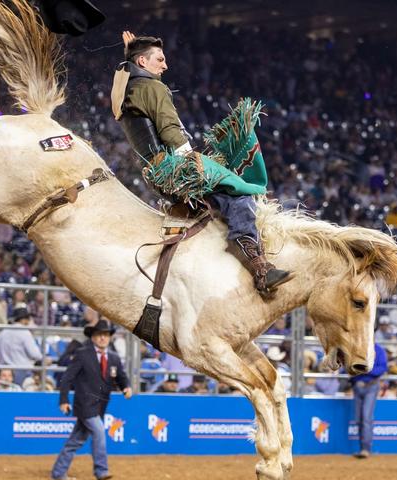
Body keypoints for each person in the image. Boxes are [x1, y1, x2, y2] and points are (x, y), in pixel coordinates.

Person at [111, 32, 291, 295]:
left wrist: (129, 56)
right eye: (159, 59)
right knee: (239, 191)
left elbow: (125, 79)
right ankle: (260, 268)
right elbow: (170, 128)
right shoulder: (154, 88)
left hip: (157, 173)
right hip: (174, 168)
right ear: (142, 61)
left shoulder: (128, 90)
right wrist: (194, 161)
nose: (165, 65)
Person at [52, 320, 131, 480]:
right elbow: (67, 378)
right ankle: (101, 470)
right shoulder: (82, 354)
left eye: (105, 334)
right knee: (99, 432)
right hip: (84, 405)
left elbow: (121, 377)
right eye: (99, 335)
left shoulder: (114, 358)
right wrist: (63, 400)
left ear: (109, 337)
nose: (102, 338)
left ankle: (58, 472)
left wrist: (126, 387)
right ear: (93, 338)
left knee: (76, 440)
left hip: (100, 406)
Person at [0, 306, 51, 385]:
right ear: (24, 320)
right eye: (28, 319)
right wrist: (46, 359)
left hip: (4, 372)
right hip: (22, 373)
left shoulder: (3, 332)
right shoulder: (24, 332)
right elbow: (35, 355)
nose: (29, 321)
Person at [352, 342, 388, 459]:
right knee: (359, 419)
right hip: (358, 385)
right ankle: (362, 447)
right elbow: (350, 368)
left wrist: (365, 370)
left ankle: (365, 449)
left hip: (371, 386)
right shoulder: (357, 348)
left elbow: (382, 368)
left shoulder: (378, 349)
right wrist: (361, 372)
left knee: (366, 417)